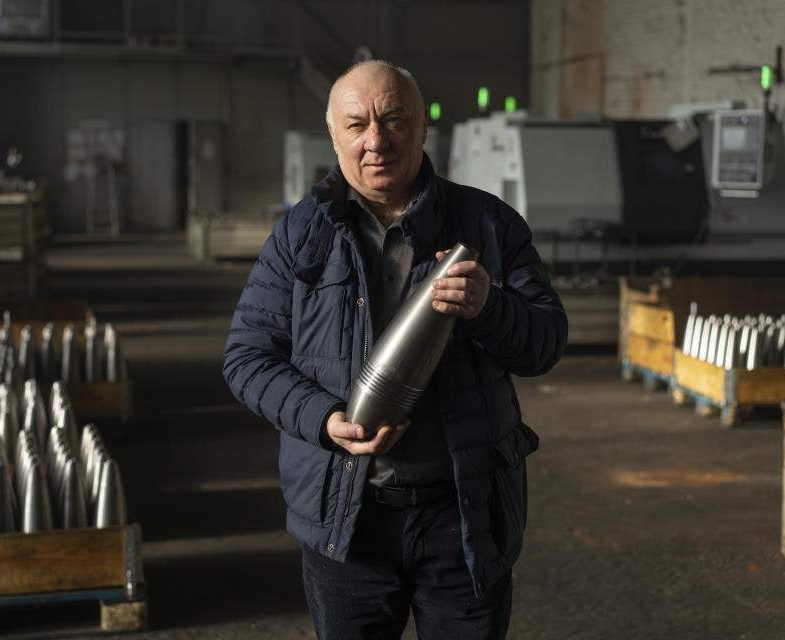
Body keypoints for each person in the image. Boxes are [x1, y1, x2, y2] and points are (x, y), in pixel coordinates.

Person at [224, 60, 567, 639]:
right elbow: (246, 359)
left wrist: (491, 307)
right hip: (346, 521)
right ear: (333, 134)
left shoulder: (488, 224)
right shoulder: (299, 233)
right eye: (357, 125)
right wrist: (324, 419)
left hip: (464, 518)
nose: (376, 140)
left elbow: (545, 345)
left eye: (394, 120)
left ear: (424, 126)